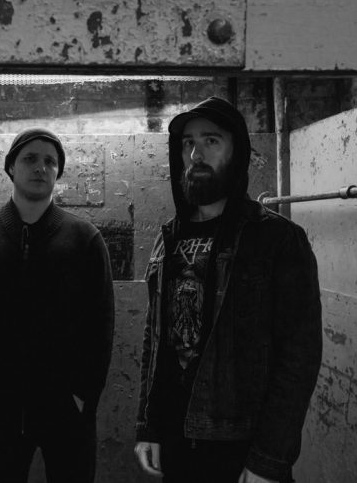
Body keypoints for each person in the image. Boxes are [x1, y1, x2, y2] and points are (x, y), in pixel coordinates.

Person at [133, 97, 322, 483]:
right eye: (188, 143)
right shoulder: (167, 239)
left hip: (239, 443)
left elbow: (299, 357)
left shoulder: (277, 240)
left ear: (237, 153)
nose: (195, 154)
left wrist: (269, 458)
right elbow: (156, 340)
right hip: (174, 437)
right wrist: (148, 425)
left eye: (211, 141)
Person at [0, 128, 115, 483]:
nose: (41, 167)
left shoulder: (84, 239)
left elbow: (100, 325)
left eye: (50, 161)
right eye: (30, 158)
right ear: (11, 167)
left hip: (66, 407)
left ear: (59, 171)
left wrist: (84, 395)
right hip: (0, 407)